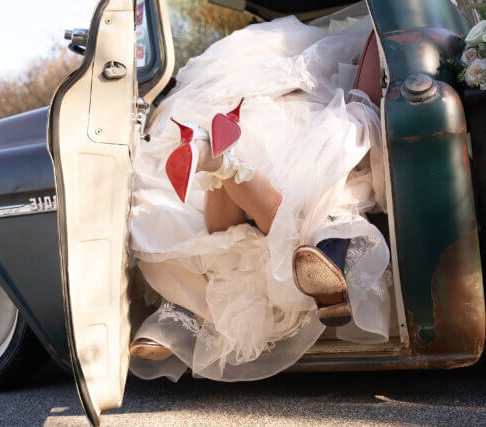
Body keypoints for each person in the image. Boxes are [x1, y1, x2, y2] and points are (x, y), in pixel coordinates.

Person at [128, 13, 391, 382]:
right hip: (285, 137)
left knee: (227, 233)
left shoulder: (253, 57)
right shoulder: (373, 40)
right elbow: (365, 103)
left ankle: (217, 160)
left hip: (238, 121)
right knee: (294, 217)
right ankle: (222, 162)